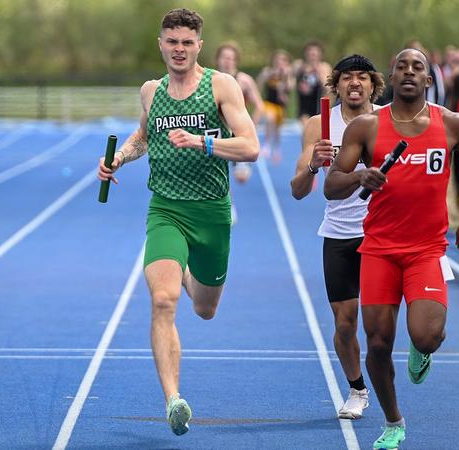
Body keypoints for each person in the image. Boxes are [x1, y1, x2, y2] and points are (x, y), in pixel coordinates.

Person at [96, 9, 259, 436]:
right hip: (165, 209)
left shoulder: (220, 86)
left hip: (211, 213)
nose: (179, 49)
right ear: (161, 44)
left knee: (204, 308)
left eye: (187, 42)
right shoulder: (151, 90)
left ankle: (188, 269)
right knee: (163, 301)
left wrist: (204, 142)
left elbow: (251, 147)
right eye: (172, 41)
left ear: (199, 45)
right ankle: (174, 399)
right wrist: (119, 158)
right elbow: (143, 138)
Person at [324, 48, 459, 449]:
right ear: (392, 74)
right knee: (378, 344)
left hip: (426, 250)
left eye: (417, 67)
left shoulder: (453, 124)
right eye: (401, 65)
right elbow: (332, 186)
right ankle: (394, 422)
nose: (409, 72)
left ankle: (423, 351)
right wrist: (359, 175)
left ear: (428, 80)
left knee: (427, 336)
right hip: (379, 250)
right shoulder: (366, 127)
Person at [290, 54, 385, 419]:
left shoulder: (389, 120)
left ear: (373, 84)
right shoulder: (320, 124)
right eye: (348, 78)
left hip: (383, 232)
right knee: (345, 325)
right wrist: (314, 165)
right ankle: (357, 389)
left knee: (381, 325)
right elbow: (298, 190)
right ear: (337, 84)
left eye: (363, 77)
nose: (355, 83)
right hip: (340, 234)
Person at [215, 41, 265, 184]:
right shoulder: (210, 79)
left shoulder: (244, 80)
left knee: (241, 178)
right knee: (217, 175)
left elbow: (259, 106)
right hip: (217, 130)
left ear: (236, 61)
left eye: (230, 58)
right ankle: (227, 204)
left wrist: (251, 127)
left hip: (237, 131)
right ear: (218, 59)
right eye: (224, 57)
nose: (227, 61)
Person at [257, 49, 294, 163]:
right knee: (269, 119)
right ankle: (267, 144)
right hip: (269, 102)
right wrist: (267, 76)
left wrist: (285, 76)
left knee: (277, 129)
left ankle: (276, 147)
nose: (279, 63)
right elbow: (259, 84)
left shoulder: (287, 73)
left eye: (283, 60)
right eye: (277, 60)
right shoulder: (268, 71)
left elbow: (290, 87)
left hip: (280, 106)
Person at [293, 41, 333, 128]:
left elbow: (328, 88)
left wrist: (318, 72)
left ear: (320, 55)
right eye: (310, 53)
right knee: (306, 129)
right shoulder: (299, 66)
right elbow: (291, 82)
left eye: (315, 53)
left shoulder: (324, 67)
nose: (312, 55)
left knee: (319, 133)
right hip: (304, 106)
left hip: (320, 106)